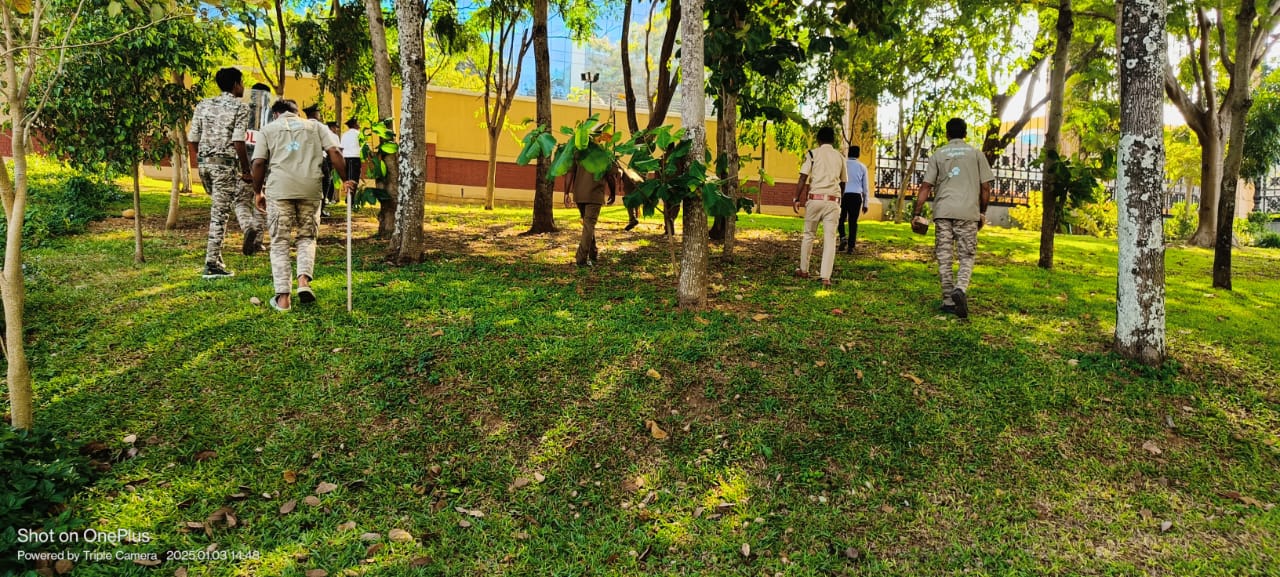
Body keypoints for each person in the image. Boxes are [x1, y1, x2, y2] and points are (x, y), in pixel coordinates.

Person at [250, 99, 353, 312]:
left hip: (280, 191)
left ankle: (283, 299)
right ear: (296, 113)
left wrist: (257, 192)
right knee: (307, 237)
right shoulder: (315, 126)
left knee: (280, 242)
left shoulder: (268, 129)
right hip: (311, 189)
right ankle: (303, 281)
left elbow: (258, 162)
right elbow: (334, 153)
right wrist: (346, 179)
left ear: (276, 114)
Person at [912, 117, 993, 319]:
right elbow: (985, 187)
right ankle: (961, 288)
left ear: (947, 134)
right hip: (968, 212)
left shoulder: (938, 154)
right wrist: (982, 212)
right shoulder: (976, 154)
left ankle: (948, 301)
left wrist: (917, 212)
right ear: (965, 134)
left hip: (943, 212)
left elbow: (926, 186)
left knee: (944, 256)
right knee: (967, 255)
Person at [188, 67, 262, 278]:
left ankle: (216, 258)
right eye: (242, 83)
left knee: (218, 209)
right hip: (225, 166)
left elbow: (192, 138)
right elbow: (238, 140)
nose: (243, 87)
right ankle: (212, 264)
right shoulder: (240, 107)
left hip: (205, 165)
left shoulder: (203, 104)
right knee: (219, 215)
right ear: (236, 84)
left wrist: (202, 160)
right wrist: (246, 170)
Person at [792, 126, 848, 288]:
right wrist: (839, 199)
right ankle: (825, 277)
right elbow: (843, 182)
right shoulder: (840, 157)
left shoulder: (812, 154)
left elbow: (803, 177)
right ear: (833, 140)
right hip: (833, 201)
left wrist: (796, 198)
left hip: (814, 199)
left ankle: (804, 270)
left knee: (809, 234)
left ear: (819, 140)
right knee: (830, 238)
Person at [563, 153, 618, 267]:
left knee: (588, 224)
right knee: (589, 225)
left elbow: (570, 173)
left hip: (579, 194)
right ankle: (581, 259)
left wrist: (566, 193)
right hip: (594, 195)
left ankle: (593, 253)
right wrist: (613, 193)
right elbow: (611, 176)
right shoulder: (604, 153)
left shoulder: (578, 152)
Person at [838, 145, 870, 254]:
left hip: (843, 195)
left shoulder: (843, 164)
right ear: (858, 154)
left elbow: (838, 181)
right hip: (856, 196)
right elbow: (865, 187)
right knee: (853, 222)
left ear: (848, 153)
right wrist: (866, 203)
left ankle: (842, 237)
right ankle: (851, 247)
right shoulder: (862, 167)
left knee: (840, 218)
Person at [340, 118, 362, 186]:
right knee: (354, 181)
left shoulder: (344, 135)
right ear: (354, 125)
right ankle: (351, 196)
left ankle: (349, 196)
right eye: (358, 123)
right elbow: (363, 146)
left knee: (348, 181)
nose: (359, 125)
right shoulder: (359, 134)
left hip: (345, 159)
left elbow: (342, 147)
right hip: (355, 159)